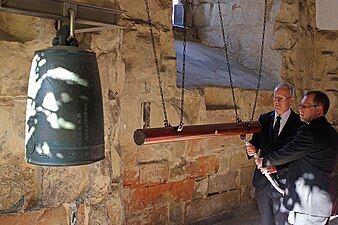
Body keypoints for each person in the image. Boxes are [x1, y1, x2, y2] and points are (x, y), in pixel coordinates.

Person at [255, 90, 338, 225]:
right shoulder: (330, 131)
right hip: (321, 203)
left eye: (305, 106)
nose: (300, 109)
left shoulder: (309, 131)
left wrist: (265, 160)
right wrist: (276, 168)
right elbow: (308, 160)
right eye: (300, 106)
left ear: (318, 109)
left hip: (309, 205)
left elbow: (289, 151)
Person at [246, 83, 305, 225]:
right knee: (266, 221)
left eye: (281, 98)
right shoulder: (264, 119)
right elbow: (256, 141)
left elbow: (299, 155)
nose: (277, 102)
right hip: (262, 181)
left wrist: (278, 168)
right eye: (275, 98)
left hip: (284, 180)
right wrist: (251, 148)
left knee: (282, 221)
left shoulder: (300, 124)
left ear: (291, 101)